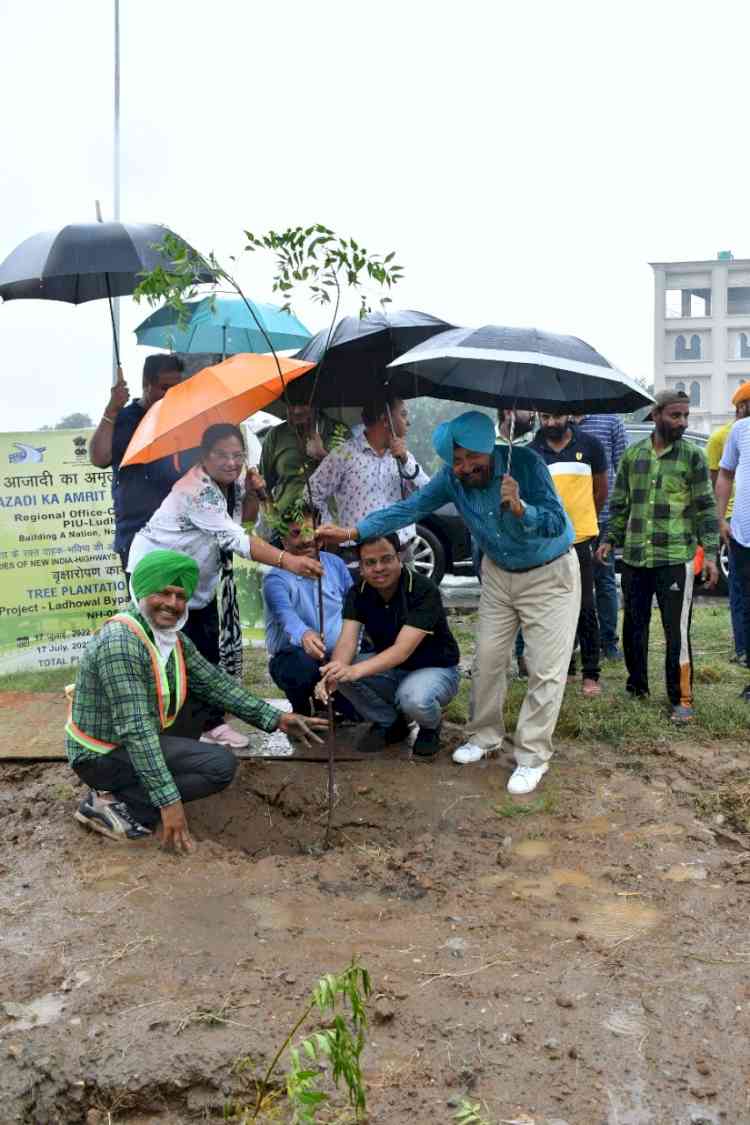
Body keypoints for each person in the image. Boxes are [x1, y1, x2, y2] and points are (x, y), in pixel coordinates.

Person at [318, 411, 579, 794]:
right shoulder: (452, 480)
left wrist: (522, 508)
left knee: (544, 668)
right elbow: (409, 508)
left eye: (471, 457)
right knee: (488, 660)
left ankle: (532, 756)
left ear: (489, 448)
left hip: (548, 573)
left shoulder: (525, 464)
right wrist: (354, 531)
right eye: (456, 461)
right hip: (498, 573)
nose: (464, 467)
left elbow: (557, 523)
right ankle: (484, 736)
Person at [67, 550, 326, 850]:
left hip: (129, 738)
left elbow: (215, 683)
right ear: (142, 591)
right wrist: (169, 803)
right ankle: (117, 804)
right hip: (101, 754)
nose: (173, 604)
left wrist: (276, 719)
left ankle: (133, 790)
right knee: (220, 765)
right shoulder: (121, 643)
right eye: (163, 593)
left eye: (180, 595)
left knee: (199, 697)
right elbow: (136, 733)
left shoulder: (168, 636)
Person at [129, 424, 323, 748]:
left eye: (237, 455)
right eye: (221, 455)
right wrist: (288, 560)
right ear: (205, 456)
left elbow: (241, 520)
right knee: (168, 656)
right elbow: (236, 538)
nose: (231, 462)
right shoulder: (196, 489)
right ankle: (168, 734)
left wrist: (252, 491)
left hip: (196, 581)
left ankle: (210, 723)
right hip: (159, 578)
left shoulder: (231, 482)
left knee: (205, 652)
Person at [597, 390, 719, 721]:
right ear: (656, 414)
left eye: (686, 416)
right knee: (634, 625)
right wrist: (610, 538)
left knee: (676, 632)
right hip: (635, 557)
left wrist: (709, 552)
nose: (682, 422)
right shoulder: (633, 455)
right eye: (675, 415)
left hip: (675, 559)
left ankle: (681, 698)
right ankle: (636, 687)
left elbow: (706, 509)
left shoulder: (692, 456)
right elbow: (620, 505)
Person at [318, 533, 460, 757]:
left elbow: (402, 650)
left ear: (399, 557)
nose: (379, 568)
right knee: (337, 670)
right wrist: (334, 673)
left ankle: (430, 726)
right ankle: (390, 722)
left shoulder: (423, 590)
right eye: (370, 562)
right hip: (391, 669)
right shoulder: (359, 592)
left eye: (386, 559)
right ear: (361, 567)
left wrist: (353, 670)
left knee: (413, 699)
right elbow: (347, 641)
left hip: (435, 669)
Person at [89, 354, 198, 572]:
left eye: (177, 388)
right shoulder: (123, 418)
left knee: (184, 602)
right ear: (146, 386)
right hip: (137, 533)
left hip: (185, 533)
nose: (171, 395)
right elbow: (99, 458)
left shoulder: (186, 421)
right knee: (146, 604)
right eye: (164, 388)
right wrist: (111, 410)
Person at [532, 412, 608, 696]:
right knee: (549, 610)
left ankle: (591, 672)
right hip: (545, 542)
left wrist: (585, 521)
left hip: (580, 539)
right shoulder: (531, 452)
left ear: (567, 414)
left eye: (556, 416)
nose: (551, 423)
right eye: (544, 417)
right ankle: (561, 668)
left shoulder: (590, 445)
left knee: (585, 606)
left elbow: (600, 491)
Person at [309, 393, 429, 573]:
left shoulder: (402, 456)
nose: (408, 422)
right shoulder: (344, 455)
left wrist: (405, 460)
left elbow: (429, 494)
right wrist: (331, 528)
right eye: (403, 414)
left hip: (401, 553)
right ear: (385, 419)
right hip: (359, 559)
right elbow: (310, 495)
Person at [263, 504, 359, 719]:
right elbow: (286, 616)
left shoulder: (335, 564)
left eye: (311, 531)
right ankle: (301, 708)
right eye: (296, 533)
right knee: (299, 668)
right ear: (283, 539)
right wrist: (305, 635)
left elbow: (353, 609)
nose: (306, 540)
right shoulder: (275, 578)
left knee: (356, 712)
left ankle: (330, 702)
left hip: (339, 658)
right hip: (297, 658)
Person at [472, 409, 536, 677]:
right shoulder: (485, 446)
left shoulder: (533, 446)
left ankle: (524, 657)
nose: (531, 415)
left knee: (525, 598)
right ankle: (494, 662)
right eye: (525, 410)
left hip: (521, 536)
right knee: (495, 598)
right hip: (486, 535)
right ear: (508, 412)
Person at [575, 412, 627, 660]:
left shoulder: (610, 421)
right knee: (570, 582)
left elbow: (623, 468)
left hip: (604, 516)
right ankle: (575, 641)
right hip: (571, 519)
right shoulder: (557, 419)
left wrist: (620, 513)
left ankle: (609, 642)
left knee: (604, 580)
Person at [259, 384, 350, 518]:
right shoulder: (276, 435)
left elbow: (354, 481)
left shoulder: (339, 432)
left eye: (303, 404)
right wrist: (274, 520)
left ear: (316, 405)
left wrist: (323, 456)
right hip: (287, 527)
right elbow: (263, 485)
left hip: (330, 525)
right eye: (291, 404)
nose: (296, 411)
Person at [707, 382, 750, 663]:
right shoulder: (740, 431)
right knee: (742, 598)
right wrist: (720, 518)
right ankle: (745, 653)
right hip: (742, 533)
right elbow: (725, 474)